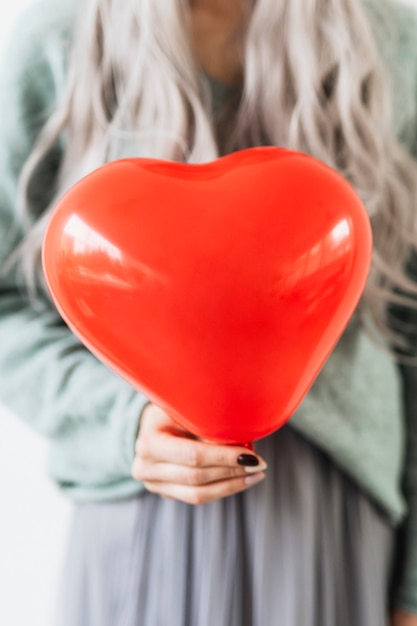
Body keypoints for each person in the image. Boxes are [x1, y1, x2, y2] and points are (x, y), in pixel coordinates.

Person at [1, 0, 417, 624]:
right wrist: (127, 423)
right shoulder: (56, 39)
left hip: (340, 513)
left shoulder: (391, 41)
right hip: (136, 506)